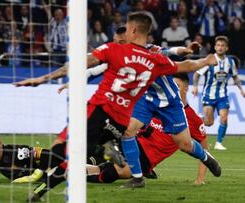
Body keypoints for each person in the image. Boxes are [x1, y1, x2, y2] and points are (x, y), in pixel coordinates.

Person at [24, 12, 218, 201]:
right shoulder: (121, 52)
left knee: (184, 144)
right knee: (126, 132)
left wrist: (187, 52)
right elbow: (94, 69)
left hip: (166, 103)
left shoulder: (149, 54)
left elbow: (175, 57)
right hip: (141, 101)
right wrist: (71, 80)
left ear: (132, 31)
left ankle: (205, 158)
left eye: (124, 33)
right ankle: (135, 174)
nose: (122, 37)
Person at [87, 73, 209, 186]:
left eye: (177, 86)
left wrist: (200, 179)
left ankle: (80, 171)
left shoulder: (193, 119)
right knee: (104, 144)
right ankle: (89, 156)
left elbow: (204, 148)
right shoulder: (154, 104)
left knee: (121, 171)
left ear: (186, 88)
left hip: (148, 158)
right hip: (134, 144)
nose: (173, 90)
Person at [192, 35, 245, 150]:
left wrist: (241, 90)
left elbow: (235, 77)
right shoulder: (210, 60)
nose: (220, 47)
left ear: (226, 48)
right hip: (209, 95)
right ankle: (196, 119)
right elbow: (197, 74)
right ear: (215, 47)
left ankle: (218, 143)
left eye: (222, 45)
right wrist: (195, 87)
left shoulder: (230, 62)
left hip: (222, 96)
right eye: (218, 45)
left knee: (224, 118)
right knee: (209, 122)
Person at [0, 127, 66, 183]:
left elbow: (47, 153)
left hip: (58, 168)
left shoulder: (17, 153)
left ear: (0, 143)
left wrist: (35, 175)